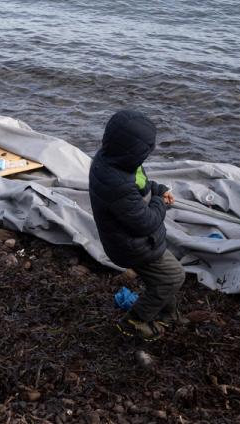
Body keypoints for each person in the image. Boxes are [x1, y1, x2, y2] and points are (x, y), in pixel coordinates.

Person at [88, 109, 186, 341]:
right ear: (134, 152)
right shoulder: (116, 183)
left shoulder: (115, 158)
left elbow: (141, 183)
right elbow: (145, 222)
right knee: (173, 277)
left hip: (139, 240)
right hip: (133, 246)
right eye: (146, 151)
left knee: (163, 279)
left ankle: (166, 314)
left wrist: (159, 189)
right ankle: (134, 321)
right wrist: (160, 202)